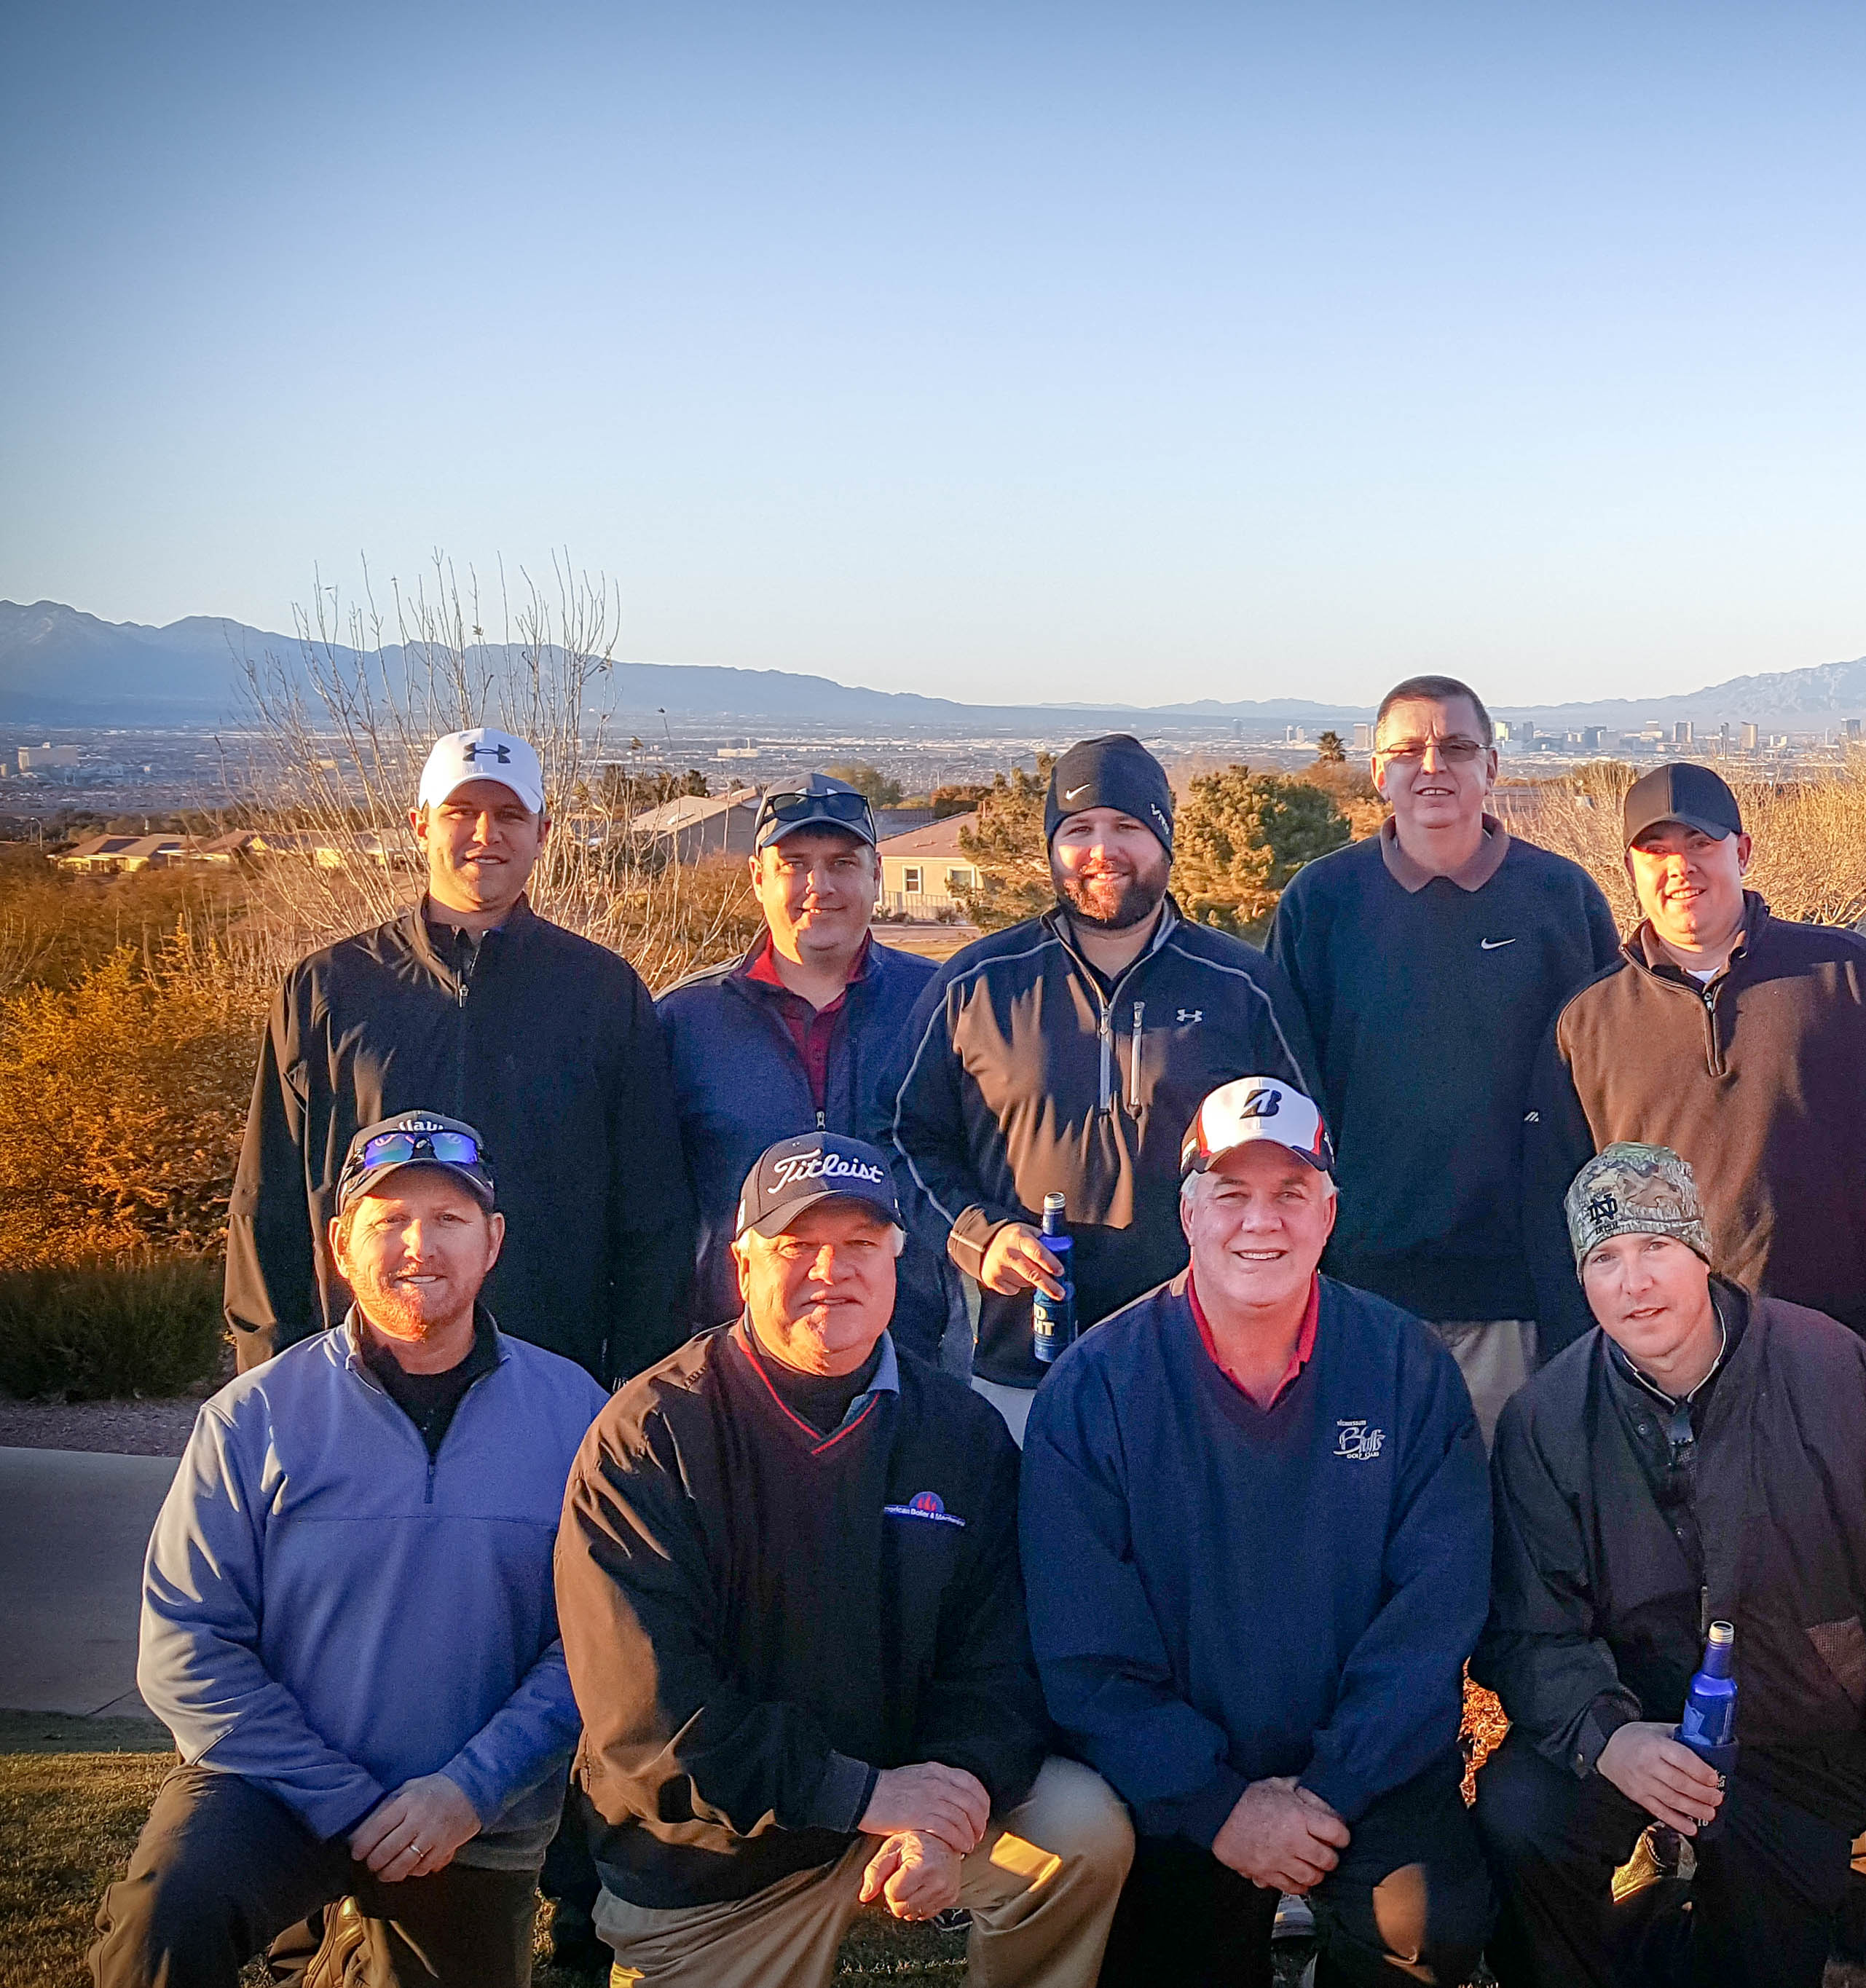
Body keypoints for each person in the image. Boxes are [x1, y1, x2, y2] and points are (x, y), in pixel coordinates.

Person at [559, 1132, 1131, 1987]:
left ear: (898, 1263)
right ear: (742, 1266)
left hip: (905, 1812)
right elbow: (650, 1727)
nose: (833, 1270)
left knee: (1082, 1832)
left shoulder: (961, 1432)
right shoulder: (647, 1440)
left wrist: (950, 1801)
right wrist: (862, 1796)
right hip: (717, 1863)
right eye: (799, 1247)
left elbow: (1002, 1662)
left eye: (861, 1244)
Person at [95, 1113, 608, 1988]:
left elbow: (597, 1644)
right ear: (340, 1245)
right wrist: (342, 1799)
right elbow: (185, 1644)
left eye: (448, 1220)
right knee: (162, 1923)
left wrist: (468, 1791)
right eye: (389, 1221)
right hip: (272, 1791)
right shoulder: (253, 1415)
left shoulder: (578, 1414)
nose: (420, 1245)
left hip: (470, 1813)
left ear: (493, 1241)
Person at [1021, 1076, 1496, 1987]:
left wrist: (1331, 1789)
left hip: (1367, 1770)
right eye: (1231, 1194)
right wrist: (1216, 1803)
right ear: (1188, 1213)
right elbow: (1085, 1650)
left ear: (1328, 1213)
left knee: (1427, 1924)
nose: (1260, 1223)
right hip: (1178, 1785)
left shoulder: (1408, 1368)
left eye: (1290, 1194)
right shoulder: (1094, 1389)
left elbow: (1434, 1611)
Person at [1476, 1143, 1866, 1988]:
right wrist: (1609, 1736)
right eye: (1604, 1260)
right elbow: (1529, 1626)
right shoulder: (1542, 1422)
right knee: (1520, 1813)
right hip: (1634, 1725)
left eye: (1655, 1249)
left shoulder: (1829, 1367)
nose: (1634, 1284)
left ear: (1701, 1253)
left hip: (1790, 1739)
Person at [227, 725, 695, 1384]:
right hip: (360, 1376)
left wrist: (641, 1386)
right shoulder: (330, 986)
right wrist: (270, 1376)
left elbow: (650, 1209)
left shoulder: (600, 990)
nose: (486, 833)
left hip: (551, 1377)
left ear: (543, 832)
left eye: (509, 814)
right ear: (420, 825)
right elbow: (267, 1197)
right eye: (460, 812)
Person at [891, 732, 1302, 1437]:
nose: (1100, 850)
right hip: (1018, 1370)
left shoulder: (1243, 987)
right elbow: (897, 1138)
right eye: (1077, 829)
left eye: (1127, 827)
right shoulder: (975, 985)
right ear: (1051, 847)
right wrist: (977, 1237)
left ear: (1165, 842)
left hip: (1200, 1368)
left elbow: (1305, 1156)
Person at [1269, 674, 1621, 1439]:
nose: (1432, 767)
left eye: (1456, 748)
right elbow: (1289, 1093)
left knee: (1510, 1527)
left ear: (1491, 767)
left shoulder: (1560, 898)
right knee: (1371, 1525)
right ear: (1378, 772)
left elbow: (1605, 1090)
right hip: (1358, 1290)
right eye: (1407, 750)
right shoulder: (1320, 903)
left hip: (1517, 1294)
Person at [1538, 760, 1866, 1373]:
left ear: (1743, 851)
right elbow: (1561, 1209)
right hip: (1668, 1367)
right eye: (1655, 851)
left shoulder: (1846, 975)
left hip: (1844, 1351)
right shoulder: (1586, 1022)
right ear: (1630, 870)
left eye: (1700, 844)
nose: (1680, 868)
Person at [662, 775, 948, 1368]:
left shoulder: (942, 1007)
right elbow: (648, 1209)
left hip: (914, 1358)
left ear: (876, 876)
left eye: (843, 862)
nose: (820, 885)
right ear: (758, 878)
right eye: (794, 863)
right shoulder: (682, 1022)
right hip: (732, 1363)